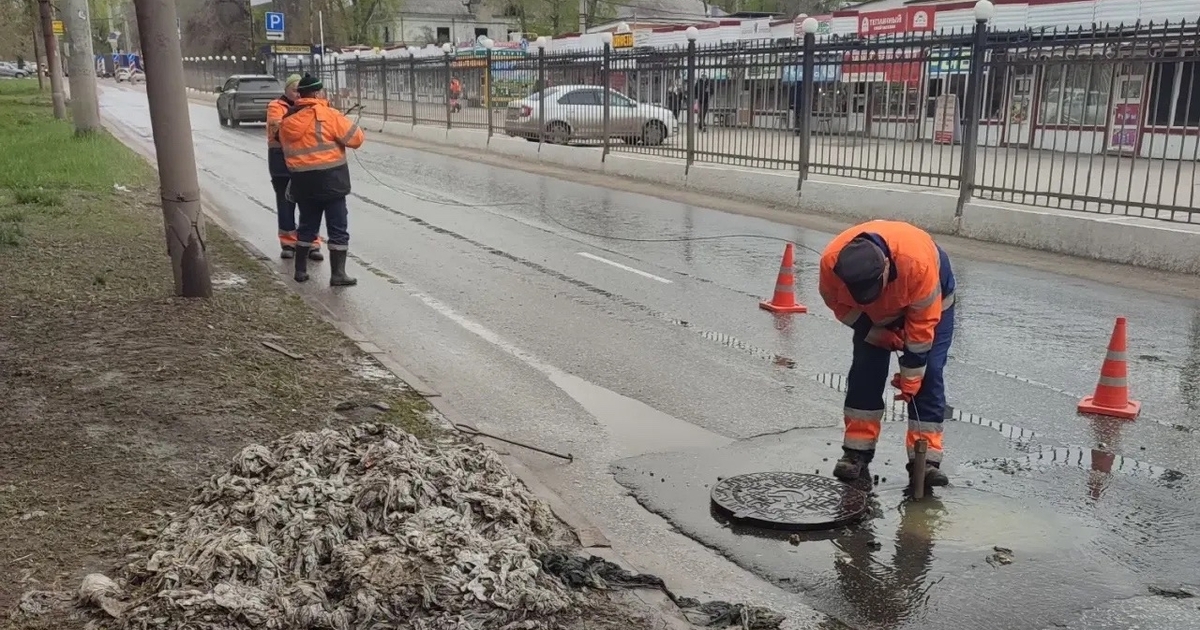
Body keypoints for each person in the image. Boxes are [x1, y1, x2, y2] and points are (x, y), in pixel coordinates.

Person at [817, 220, 957, 491]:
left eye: (872, 291)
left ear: (885, 268)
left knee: (929, 375)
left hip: (928, 305)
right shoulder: (831, 265)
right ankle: (856, 452)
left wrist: (911, 376)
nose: (868, 297)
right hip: (874, 318)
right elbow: (836, 303)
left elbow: (921, 331)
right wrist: (871, 332)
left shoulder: (917, 267)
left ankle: (925, 461)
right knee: (866, 371)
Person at [277, 74, 365, 286]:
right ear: (317, 93)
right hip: (332, 181)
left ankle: (300, 271)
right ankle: (338, 274)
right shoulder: (328, 115)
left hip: (303, 184)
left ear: (300, 95)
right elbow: (356, 139)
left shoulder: (287, 121)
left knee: (307, 225)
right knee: (337, 227)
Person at [267, 74, 322, 261]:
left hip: (306, 162)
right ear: (286, 90)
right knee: (285, 202)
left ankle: (311, 242)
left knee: (310, 203)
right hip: (281, 162)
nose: (298, 95)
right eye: (294, 90)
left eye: (300, 91)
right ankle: (288, 243)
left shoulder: (314, 107)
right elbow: (278, 129)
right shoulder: (276, 106)